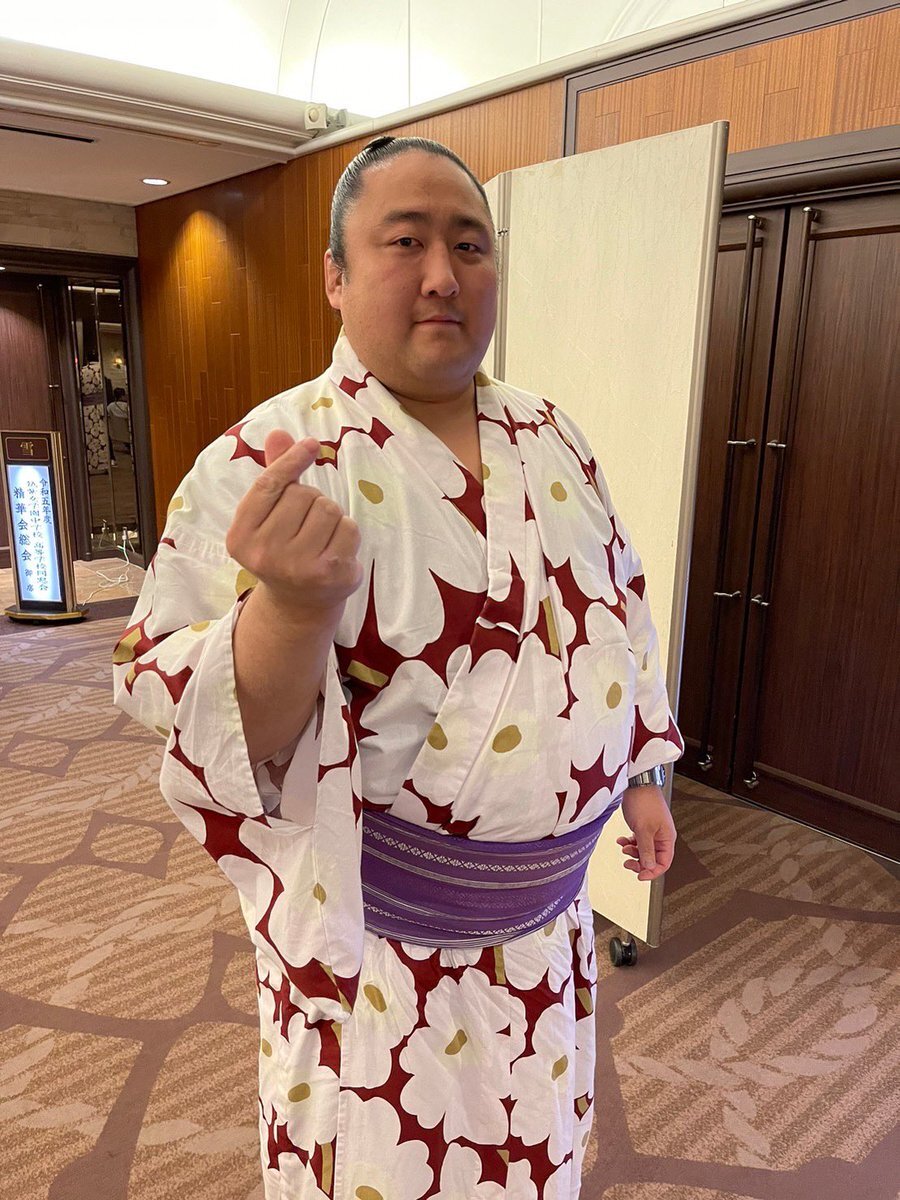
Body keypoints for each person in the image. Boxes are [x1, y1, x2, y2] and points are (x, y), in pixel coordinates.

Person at [112, 135, 684, 1200]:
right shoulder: (267, 458)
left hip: (547, 941)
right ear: (335, 275)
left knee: (538, 1160)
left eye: (469, 245)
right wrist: (290, 608)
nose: (443, 275)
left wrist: (641, 775)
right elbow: (195, 720)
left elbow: (619, 614)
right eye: (405, 242)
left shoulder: (553, 436)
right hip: (381, 961)